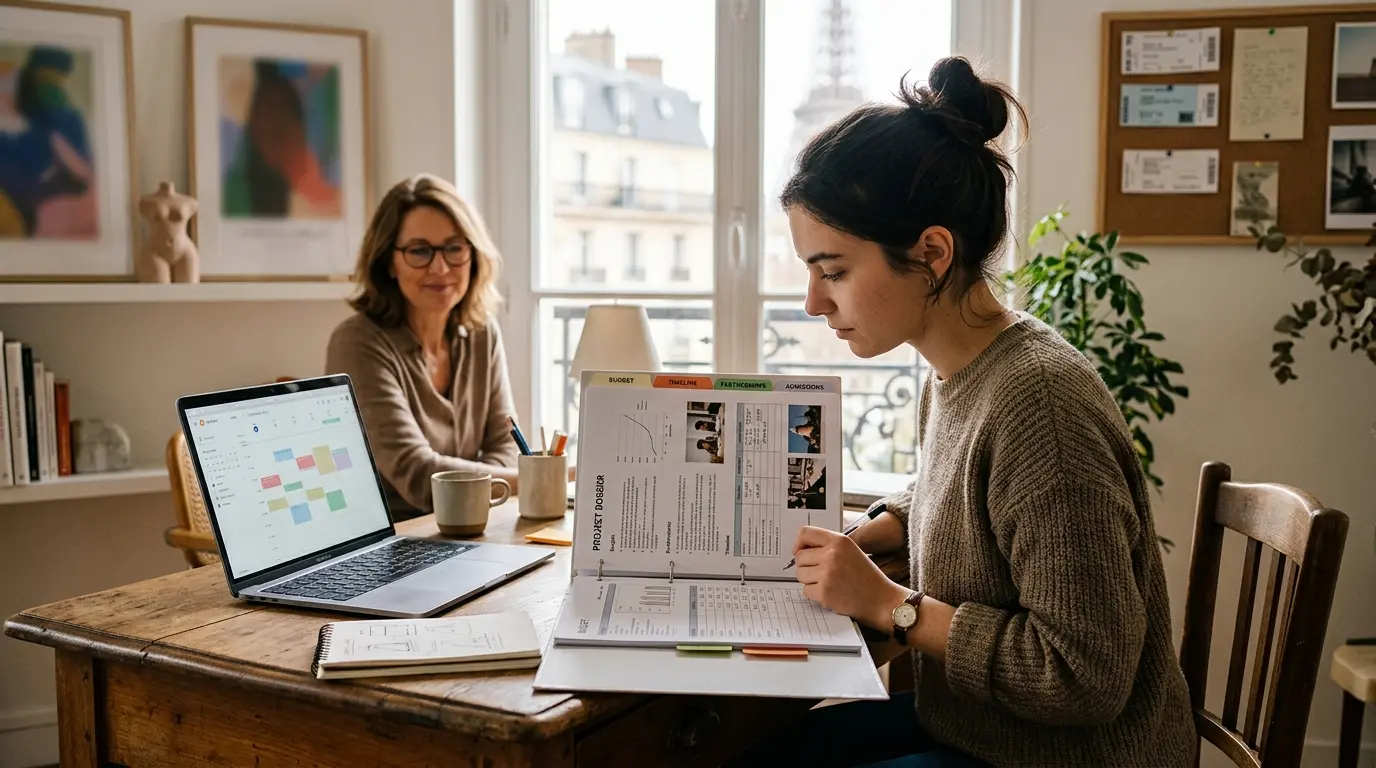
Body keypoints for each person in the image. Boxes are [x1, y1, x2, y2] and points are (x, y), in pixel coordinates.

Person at [736, 57, 1196, 767]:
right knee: (753, 752)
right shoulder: (963, 370)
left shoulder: (1040, 405)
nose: (813, 303)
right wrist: (883, 526)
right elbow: (964, 496)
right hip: (981, 728)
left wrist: (893, 605)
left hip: (1067, 755)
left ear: (932, 253)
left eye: (833, 272)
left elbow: (1085, 677)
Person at [325, 174, 519, 520]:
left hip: (468, 529)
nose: (440, 267)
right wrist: (554, 478)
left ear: (473, 255)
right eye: (419, 250)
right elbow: (417, 472)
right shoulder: (357, 343)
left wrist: (470, 510)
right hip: (393, 542)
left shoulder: (481, 332)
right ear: (389, 261)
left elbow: (505, 445)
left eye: (454, 247)